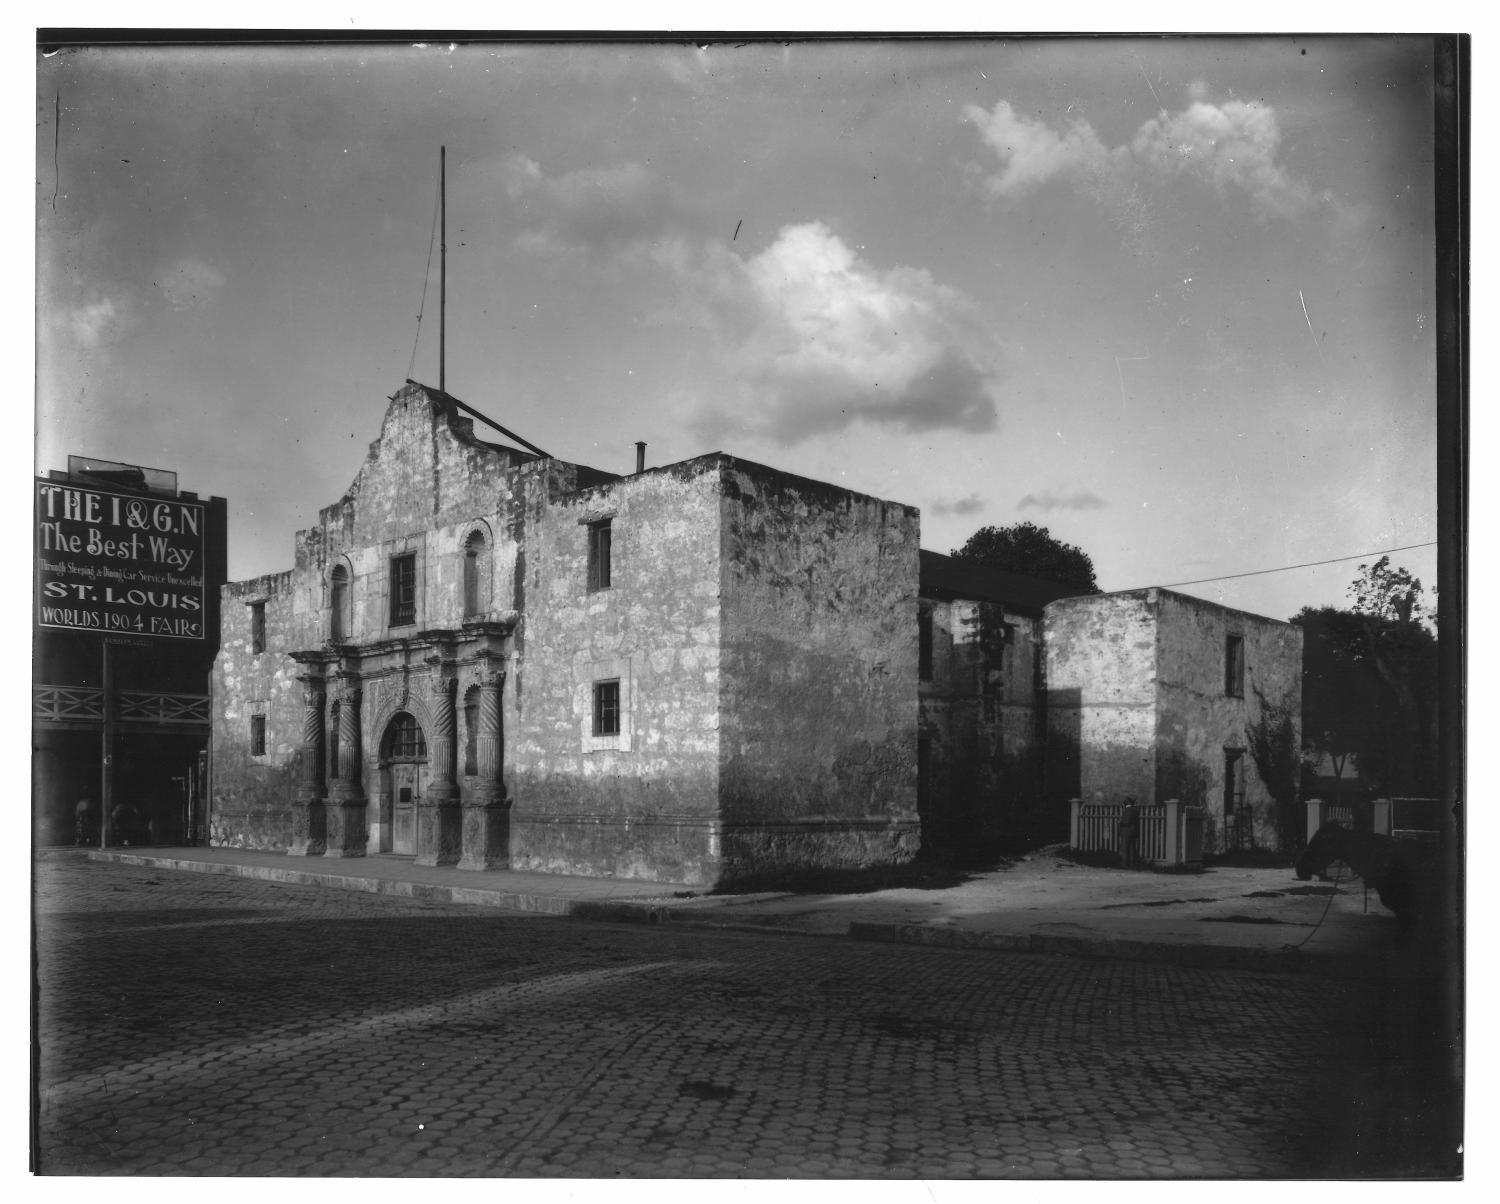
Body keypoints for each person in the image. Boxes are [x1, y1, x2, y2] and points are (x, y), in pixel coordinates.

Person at [1117, 796, 1140, 870]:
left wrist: (1120, 823)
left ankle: (1124, 864)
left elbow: (1127, 822)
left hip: (1126, 831)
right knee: (1132, 848)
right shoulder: (1135, 810)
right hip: (1133, 832)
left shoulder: (1127, 810)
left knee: (1125, 848)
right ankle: (1132, 864)